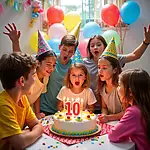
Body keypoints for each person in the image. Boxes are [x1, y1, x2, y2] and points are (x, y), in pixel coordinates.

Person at [83, 25, 150, 113]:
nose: (95, 47)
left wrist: (146, 42)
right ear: (89, 49)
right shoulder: (84, 62)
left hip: (116, 107)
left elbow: (135, 55)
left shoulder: (115, 59)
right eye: (92, 45)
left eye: (99, 44)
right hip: (93, 106)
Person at [3, 23, 57, 119]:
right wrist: (15, 41)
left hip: (27, 110)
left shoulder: (46, 78)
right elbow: (20, 61)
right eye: (48, 64)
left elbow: (37, 96)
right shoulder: (30, 74)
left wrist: (37, 113)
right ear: (38, 63)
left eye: (53, 65)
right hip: (17, 108)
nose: (51, 68)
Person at [0, 52, 43, 150]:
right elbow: (20, 143)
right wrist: (25, 134)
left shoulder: (22, 98)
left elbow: (37, 125)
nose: (35, 79)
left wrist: (24, 134)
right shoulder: (3, 106)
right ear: (22, 81)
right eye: (33, 75)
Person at [108, 69, 150, 150]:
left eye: (119, 85)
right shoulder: (144, 107)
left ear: (130, 92)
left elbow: (113, 135)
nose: (117, 88)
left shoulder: (134, 112)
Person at [40, 35, 79, 115]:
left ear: (74, 52)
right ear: (59, 47)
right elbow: (28, 63)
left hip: (63, 110)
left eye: (70, 51)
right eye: (64, 49)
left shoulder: (73, 66)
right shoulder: (51, 61)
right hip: (45, 108)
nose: (66, 53)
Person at [97, 37, 123, 123]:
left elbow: (128, 111)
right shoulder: (102, 87)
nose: (100, 71)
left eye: (104, 68)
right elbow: (104, 107)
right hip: (112, 122)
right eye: (99, 67)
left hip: (124, 122)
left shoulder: (120, 87)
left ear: (115, 70)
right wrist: (104, 115)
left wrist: (109, 118)